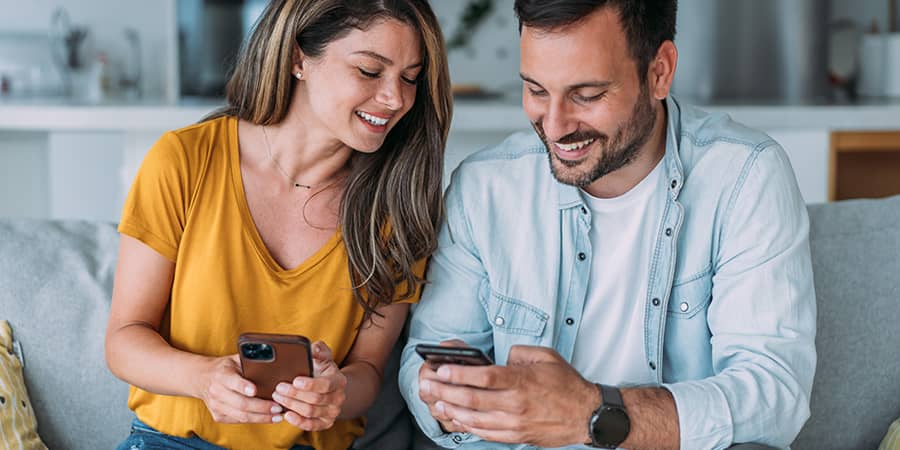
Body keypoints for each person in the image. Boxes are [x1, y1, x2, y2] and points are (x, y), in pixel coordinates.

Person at [399, 1, 816, 449]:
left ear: (659, 71)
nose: (555, 126)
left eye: (587, 94)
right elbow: (424, 358)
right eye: (536, 90)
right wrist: (446, 396)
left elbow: (773, 394)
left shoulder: (744, 176)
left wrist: (592, 414)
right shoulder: (484, 189)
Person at [104, 1, 451, 449]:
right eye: (370, 71)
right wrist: (204, 379)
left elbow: (368, 371)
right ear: (297, 58)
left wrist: (336, 393)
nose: (397, 98)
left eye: (410, 77)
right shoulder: (184, 161)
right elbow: (124, 341)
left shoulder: (396, 207)